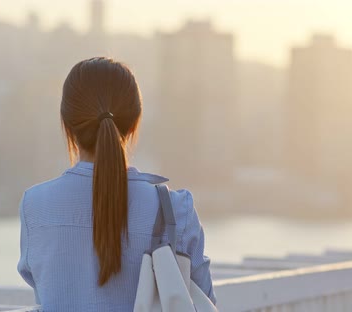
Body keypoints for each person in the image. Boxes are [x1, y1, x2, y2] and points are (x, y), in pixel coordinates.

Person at [17, 57, 216, 311]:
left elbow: (40, 287)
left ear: (67, 125)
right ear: (134, 123)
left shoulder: (35, 205)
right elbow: (205, 301)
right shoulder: (176, 210)